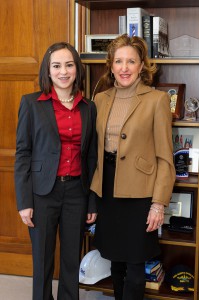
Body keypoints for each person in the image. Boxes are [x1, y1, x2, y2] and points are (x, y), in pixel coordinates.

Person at [90, 34, 176, 300]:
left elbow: (165, 157)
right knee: (116, 263)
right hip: (107, 189)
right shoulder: (100, 99)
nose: (124, 67)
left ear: (142, 66)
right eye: (119, 61)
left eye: (131, 61)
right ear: (111, 65)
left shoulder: (156, 100)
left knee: (136, 270)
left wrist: (158, 204)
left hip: (141, 193)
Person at [14, 42, 97, 300]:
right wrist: (24, 201)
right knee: (42, 261)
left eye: (69, 65)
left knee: (72, 259)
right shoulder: (31, 104)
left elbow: (92, 158)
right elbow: (23, 154)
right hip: (42, 193)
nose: (63, 71)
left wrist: (92, 201)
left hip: (76, 192)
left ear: (77, 69)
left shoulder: (89, 107)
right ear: (47, 71)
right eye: (57, 66)